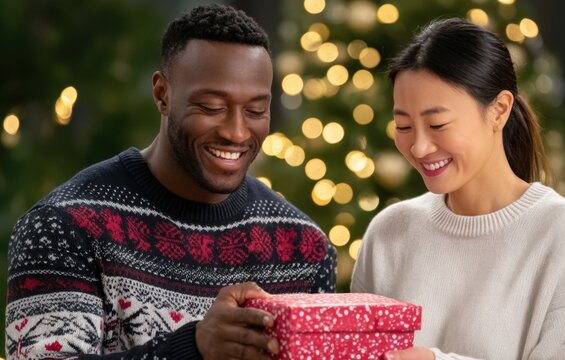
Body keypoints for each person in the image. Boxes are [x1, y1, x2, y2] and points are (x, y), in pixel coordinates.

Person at [5, 4, 336, 359]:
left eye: (256, 111)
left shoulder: (304, 249)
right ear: (162, 94)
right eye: (211, 107)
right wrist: (193, 347)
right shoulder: (64, 226)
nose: (237, 131)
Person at [351, 18, 565, 360]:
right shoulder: (390, 232)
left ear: (499, 110)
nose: (418, 147)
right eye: (403, 125)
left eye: (437, 124)